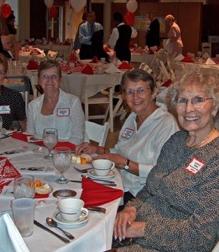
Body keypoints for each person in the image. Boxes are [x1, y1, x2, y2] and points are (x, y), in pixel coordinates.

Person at [113, 71, 219, 252]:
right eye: (182, 101)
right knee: (84, 243)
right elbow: (150, 188)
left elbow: (198, 234)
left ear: (214, 107)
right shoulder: (177, 141)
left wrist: (142, 229)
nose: (189, 109)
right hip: (141, 233)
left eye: (198, 100)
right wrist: (131, 208)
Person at [76, 69, 178, 201]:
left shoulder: (165, 124)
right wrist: (97, 149)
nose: (135, 97)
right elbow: (120, 151)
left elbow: (163, 173)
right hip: (118, 183)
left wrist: (125, 164)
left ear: (153, 92)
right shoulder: (133, 117)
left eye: (141, 90)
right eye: (130, 92)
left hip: (141, 195)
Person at [26, 60, 85, 145]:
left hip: (67, 154)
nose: (49, 80)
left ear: (60, 80)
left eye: (54, 76)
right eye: (45, 76)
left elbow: (78, 138)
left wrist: (59, 151)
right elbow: (30, 137)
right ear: (39, 80)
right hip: (41, 154)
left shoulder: (73, 103)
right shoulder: (32, 106)